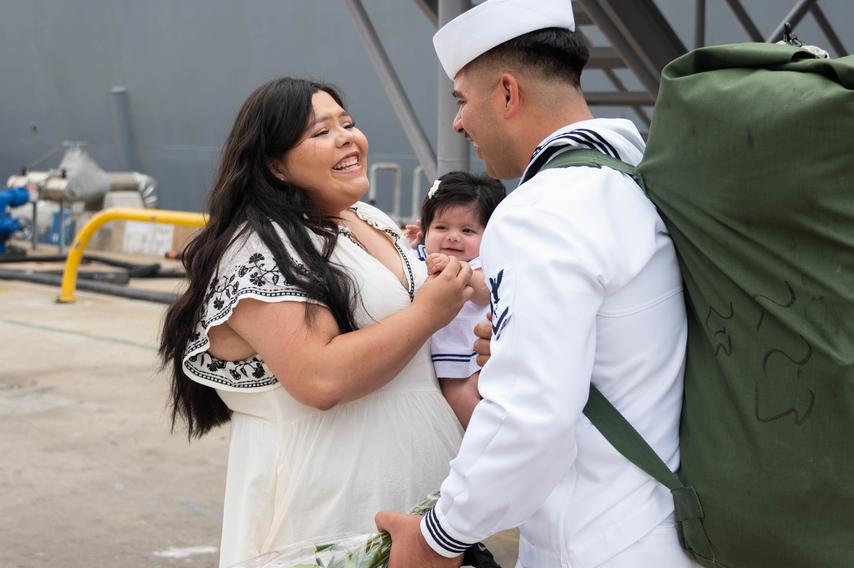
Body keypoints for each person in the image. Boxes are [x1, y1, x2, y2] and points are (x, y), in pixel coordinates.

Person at [376, 1, 696, 567]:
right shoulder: (632, 178)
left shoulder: (541, 211)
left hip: (594, 544)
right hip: (660, 528)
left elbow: (531, 415)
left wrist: (439, 536)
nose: (457, 122)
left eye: (462, 100)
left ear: (506, 93)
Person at [158, 77, 473, 568]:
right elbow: (320, 378)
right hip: (336, 513)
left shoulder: (368, 218)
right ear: (274, 164)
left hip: (423, 506)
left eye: (348, 123)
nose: (348, 137)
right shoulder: (259, 247)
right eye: (321, 132)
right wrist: (430, 312)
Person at [418, 171, 506, 428]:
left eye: (467, 230)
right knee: (456, 407)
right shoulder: (422, 255)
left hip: (470, 352)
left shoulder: (484, 263)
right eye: (441, 227)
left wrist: (455, 268)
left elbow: (484, 291)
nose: (453, 237)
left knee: (467, 401)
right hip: (444, 354)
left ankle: (491, 447)